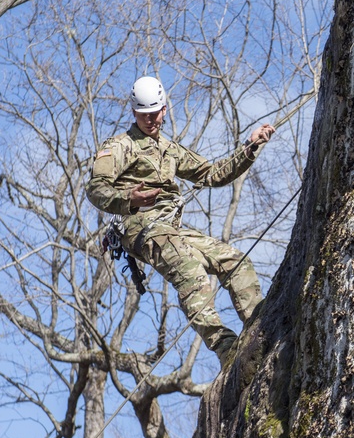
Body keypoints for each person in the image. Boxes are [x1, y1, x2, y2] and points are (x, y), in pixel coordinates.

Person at [86, 76, 275, 368]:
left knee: (234, 261)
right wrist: (128, 199)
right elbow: (96, 188)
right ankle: (227, 349)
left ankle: (259, 331)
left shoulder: (169, 149)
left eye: (156, 113)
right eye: (144, 115)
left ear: (164, 109)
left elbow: (213, 173)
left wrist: (249, 147)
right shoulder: (120, 146)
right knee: (191, 273)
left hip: (171, 228)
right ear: (134, 113)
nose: (151, 120)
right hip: (142, 228)